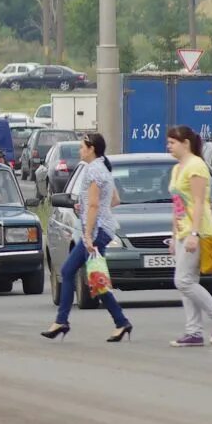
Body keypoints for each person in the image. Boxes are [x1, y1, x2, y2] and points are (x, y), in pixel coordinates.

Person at [43, 131, 132, 342]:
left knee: (68, 271)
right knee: (95, 279)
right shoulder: (102, 168)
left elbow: (94, 205)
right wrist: (89, 208)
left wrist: (88, 235)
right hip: (103, 228)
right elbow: (115, 200)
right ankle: (121, 322)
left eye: (82, 147)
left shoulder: (93, 171)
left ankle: (62, 321)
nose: (79, 151)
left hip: (96, 231)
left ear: (92, 149)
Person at [167, 125, 212, 347]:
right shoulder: (177, 169)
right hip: (184, 229)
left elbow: (199, 202)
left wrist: (193, 233)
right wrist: (174, 235)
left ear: (186, 143)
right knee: (188, 281)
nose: (169, 147)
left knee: (183, 281)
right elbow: (177, 204)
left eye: (173, 143)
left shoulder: (196, 166)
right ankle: (193, 331)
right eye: (169, 143)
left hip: (199, 230)